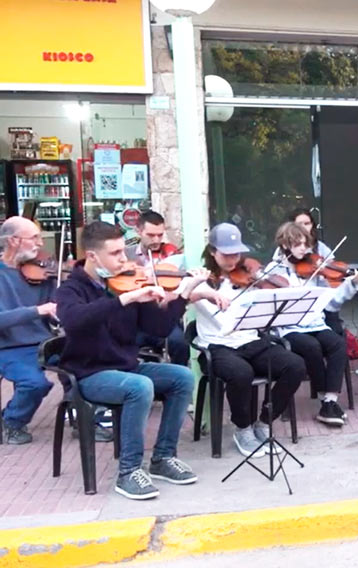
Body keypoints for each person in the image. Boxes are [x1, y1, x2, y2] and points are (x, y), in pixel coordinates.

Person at [55, 222, 216, 500]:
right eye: (115, 253)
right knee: (139, 387)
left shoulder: (129, 282)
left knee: (182, 377)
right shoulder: (71, 289)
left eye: (123, 251)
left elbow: (160, 328)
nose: (124, 259)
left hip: (126, 366)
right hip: (89, 373)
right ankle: (128, 471)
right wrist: (124, 300)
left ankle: (163, 458)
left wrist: (183, 294)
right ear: (93, 256)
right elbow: (74, 321)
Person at [191, 223, 307, 458]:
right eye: (227, 253)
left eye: (237, 252)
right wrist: (205, 292)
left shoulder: (249, 277)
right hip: (218, 347)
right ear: (213, 251)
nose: (234, 259)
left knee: (295, 365)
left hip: (251, 342)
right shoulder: (201, 280)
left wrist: (260, 280)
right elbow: (196, 303)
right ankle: (242, 429)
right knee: (241, 373)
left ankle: (264, 423)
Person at [266, 222, 358, 425]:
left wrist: (351, 284)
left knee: (338, 343)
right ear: (285, 245)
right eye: (298, 244)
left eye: (306, 244)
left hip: (315, 324)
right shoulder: (274, 271)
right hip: (288, 328)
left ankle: (330, 401)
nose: (304, 249)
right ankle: (324, 401)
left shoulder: (315, 269)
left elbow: (332, 303)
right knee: (311, 347)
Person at [0, 217, 66, 444]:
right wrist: (37, 310)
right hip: (10, 346)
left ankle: (84, 417)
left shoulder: (40, 273)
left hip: (44, 341)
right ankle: (11, 421)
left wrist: (58, 302)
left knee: (86, 360)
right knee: (35, 383)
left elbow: (53, 305)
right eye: (34, 238)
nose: (40, 243)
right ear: (14, 240)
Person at [127, 210, 189, 367]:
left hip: (162, 317)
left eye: (160, 235)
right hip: (133, 319)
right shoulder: (126, 255)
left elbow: (179, 288)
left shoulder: (171, 255)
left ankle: (176, 379)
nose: (156, 240)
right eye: (150, 235)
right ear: (138, 231)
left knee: (180, 344)